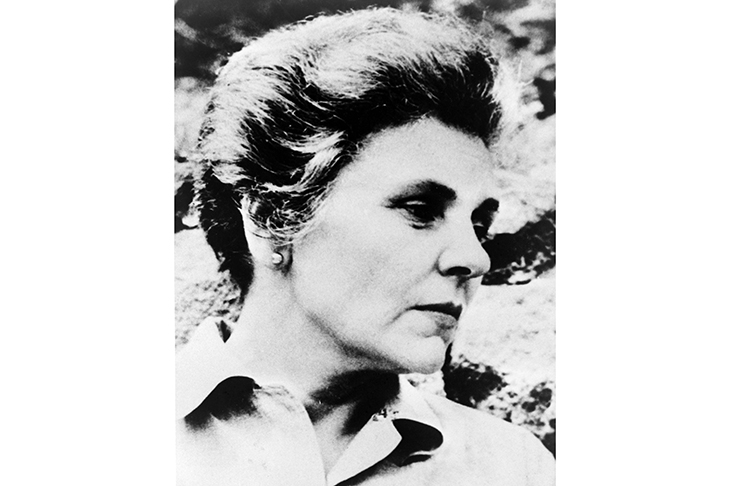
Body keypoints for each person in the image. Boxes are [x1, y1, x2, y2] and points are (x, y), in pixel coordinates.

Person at [176, 7, 555, 485]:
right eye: (420, 209)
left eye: (479, 225)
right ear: (271, 216)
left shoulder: (514, 468)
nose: (475, 259)